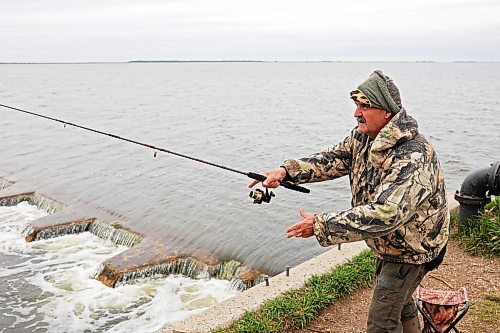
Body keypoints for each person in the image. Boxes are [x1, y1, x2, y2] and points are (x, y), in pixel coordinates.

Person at [248, 70, 449, 333]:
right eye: (356, 105)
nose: (357, 113)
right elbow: (333, 159)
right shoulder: (364, 136)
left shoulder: (413, 155)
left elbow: (385, 214)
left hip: (411, 251)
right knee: (399, 302)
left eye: (365, 106)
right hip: (392, 243)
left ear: (387, 112)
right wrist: (285, 171)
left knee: (381, 323)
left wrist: (321, 225)